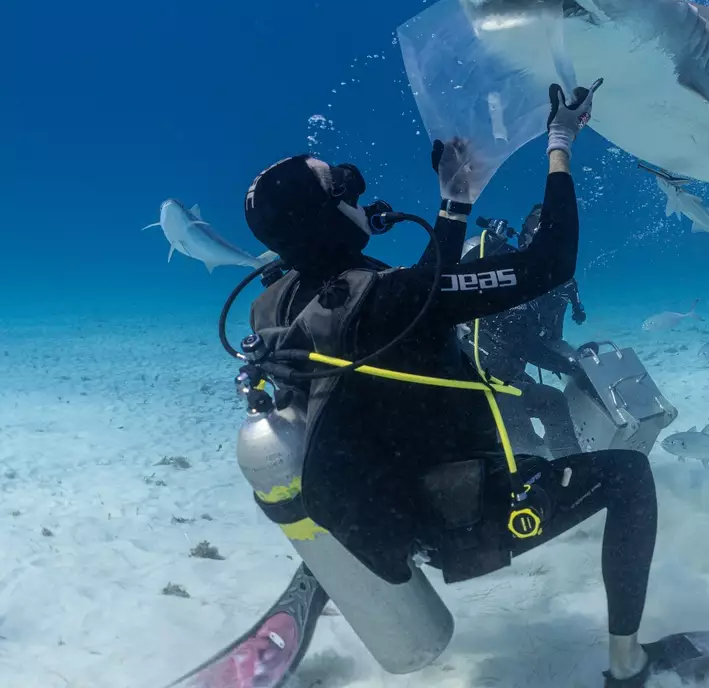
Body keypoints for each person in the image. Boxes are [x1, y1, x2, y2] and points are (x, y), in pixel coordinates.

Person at [242, 80, 660, 685]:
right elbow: (551, 262)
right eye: (344, 186)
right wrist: (561, 141)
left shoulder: (272, 309)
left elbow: (416, 299)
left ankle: (334, 560)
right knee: (629, 476)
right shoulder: (386, 300)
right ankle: (629, 666)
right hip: (457, 526)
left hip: (373, 506)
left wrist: (454, 204)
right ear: (323, 215)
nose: (359, 190)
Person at [458, 205, 588, 457]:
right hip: (479, 378)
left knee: (548, 411)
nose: (540, 233)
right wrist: (571, 367)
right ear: (523, 233)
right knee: (527, 441)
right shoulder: (508, 274)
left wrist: (575, 355)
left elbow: (548, 340)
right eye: (534, 224)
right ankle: (555, 477)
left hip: (505, 374)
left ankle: (567, 468)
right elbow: (524, 344)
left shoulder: (543, 287)